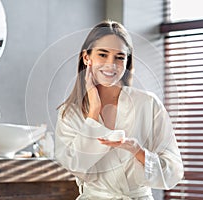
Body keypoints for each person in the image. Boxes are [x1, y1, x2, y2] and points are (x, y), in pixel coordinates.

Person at [54, 20, 184, 200]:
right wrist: (94, 112)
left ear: (127, 61)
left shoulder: (148, 104)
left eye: (119, 57)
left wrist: (138, 151)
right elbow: (76, 167)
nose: (111, 64)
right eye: (103, 54)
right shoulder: (70, 113)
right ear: (87, 58)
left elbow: (174, 172)